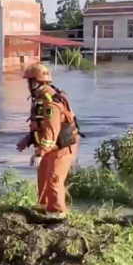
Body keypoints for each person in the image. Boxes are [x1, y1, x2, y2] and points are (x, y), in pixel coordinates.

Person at [16, 64, 81, 216]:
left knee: (54, 181)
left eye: (29, 81)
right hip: (50, 145)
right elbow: (40, 125)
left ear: (36, 82)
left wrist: (39, 153)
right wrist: (28, 139)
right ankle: (44, 209)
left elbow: (52, 131)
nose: (27, 85)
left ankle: (58, 216)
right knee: (43, 179)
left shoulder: (50, 101)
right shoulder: (39, 97)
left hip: (61, 147)